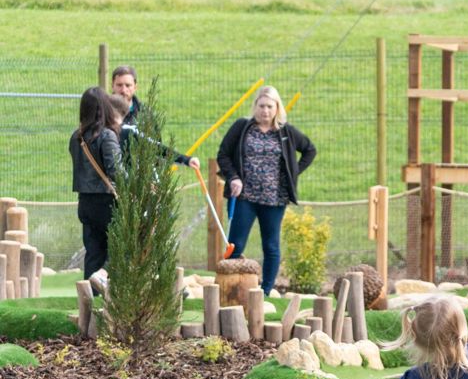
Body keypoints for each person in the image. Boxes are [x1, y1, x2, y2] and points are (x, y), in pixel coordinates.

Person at [216, 85, 316, 295]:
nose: (265, 111)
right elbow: (223, 154)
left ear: (277, 107)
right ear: (255, 106)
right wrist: (233, 177)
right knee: (236, 244)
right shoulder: (242, 127)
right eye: (261, 106)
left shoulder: (286, 132)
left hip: (274, 199)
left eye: (270, 106)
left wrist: (293, 172)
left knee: (271, 246)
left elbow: (309, 150)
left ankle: (266, 290)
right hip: (245, 197)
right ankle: (226, 288)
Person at [69, 87, 122, 291]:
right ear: (105, 108)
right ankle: (104, 275)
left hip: (85, 202)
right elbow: (116, 171)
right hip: (107, 201)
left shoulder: (76, 137)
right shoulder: (106, 136)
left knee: (93, 253)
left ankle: (88, 306)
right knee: (121, 246)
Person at [107, 94, 201, 172]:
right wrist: (185, 160)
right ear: (125, 113)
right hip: (121, 187)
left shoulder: (96, 132)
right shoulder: (128, 132)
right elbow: (157, 148)